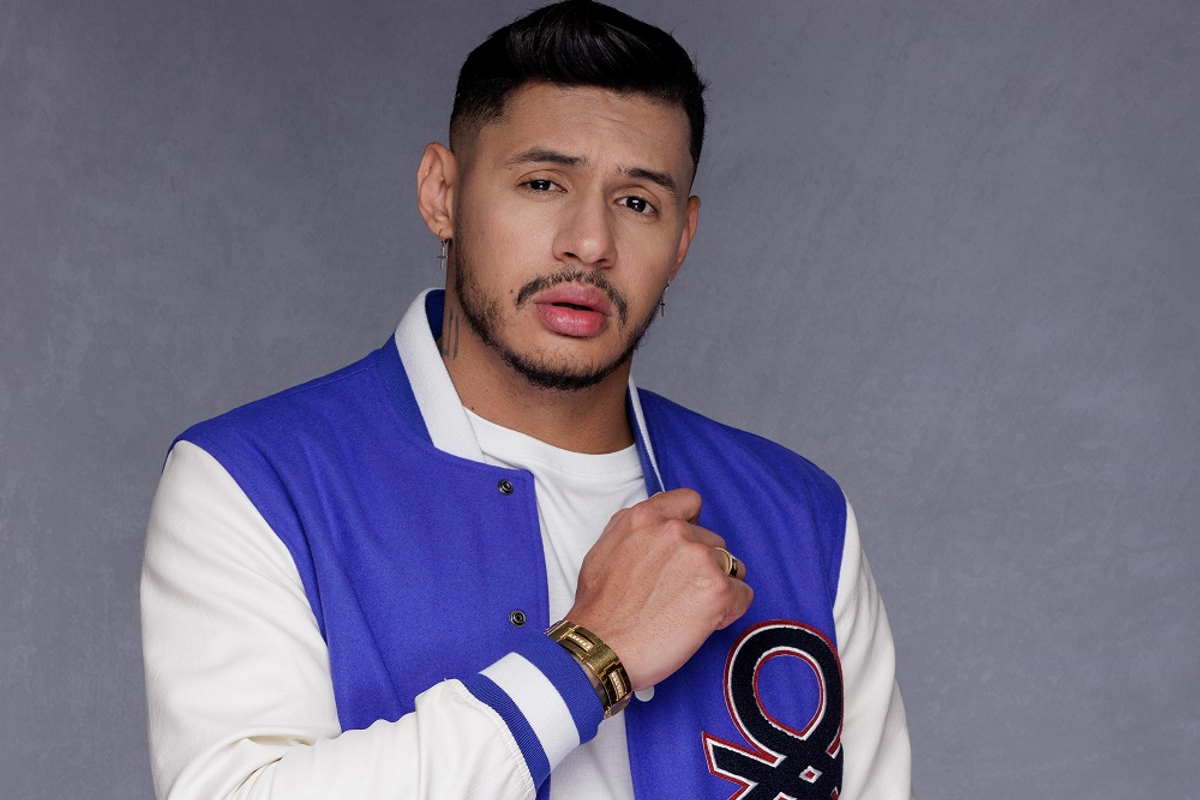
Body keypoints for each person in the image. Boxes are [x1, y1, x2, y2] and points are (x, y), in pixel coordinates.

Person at [140, 1, 913, 798]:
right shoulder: (256, 480)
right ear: (442, 194)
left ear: (682, 238)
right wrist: (590, 656)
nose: (591, 242)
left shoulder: (799, 513)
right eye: (543, 183)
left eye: (637, 202)